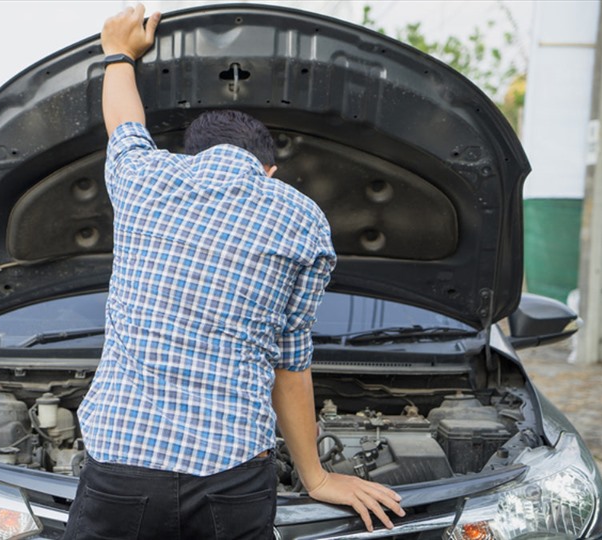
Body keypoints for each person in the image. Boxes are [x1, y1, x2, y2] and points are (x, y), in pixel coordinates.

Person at [64, 5, 406, 539]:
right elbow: (290, 364)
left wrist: (118, 54)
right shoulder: (301, 217)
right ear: (270, 169)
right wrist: (315, 478)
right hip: (233, 477)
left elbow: (125, 125)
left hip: (122, 471)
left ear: (190, 154)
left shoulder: (147, 177)